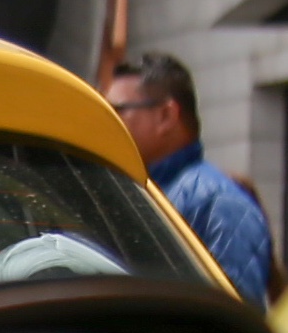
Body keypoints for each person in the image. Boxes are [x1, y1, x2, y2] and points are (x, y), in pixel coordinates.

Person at [107, 49, 276, 303]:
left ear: (166, 115)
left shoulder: (218, 204)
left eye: (117, 110)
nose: (107, 121)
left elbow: (231, 323)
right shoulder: (131, 192)